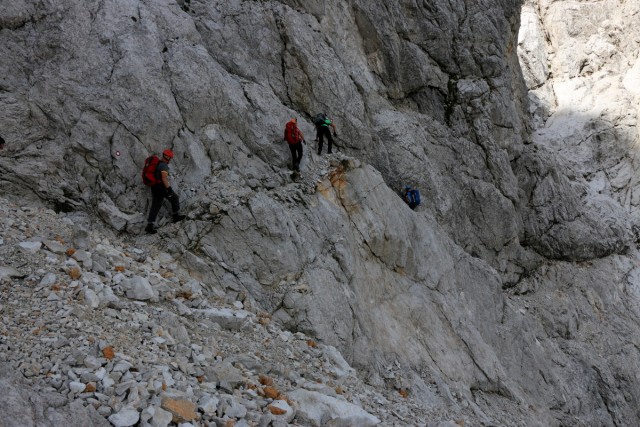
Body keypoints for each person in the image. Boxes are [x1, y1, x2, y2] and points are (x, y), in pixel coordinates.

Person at [145, 149, 185, 234]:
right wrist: (169, 189)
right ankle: (176, 216)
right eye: (170, 158)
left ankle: (150, 225)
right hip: (161, 187)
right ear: (168, 157)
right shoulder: (164, 166)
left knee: (155, 205)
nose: (170, 159)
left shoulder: (158, 163)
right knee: (174, 198)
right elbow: (164, 178)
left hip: (154, 187)